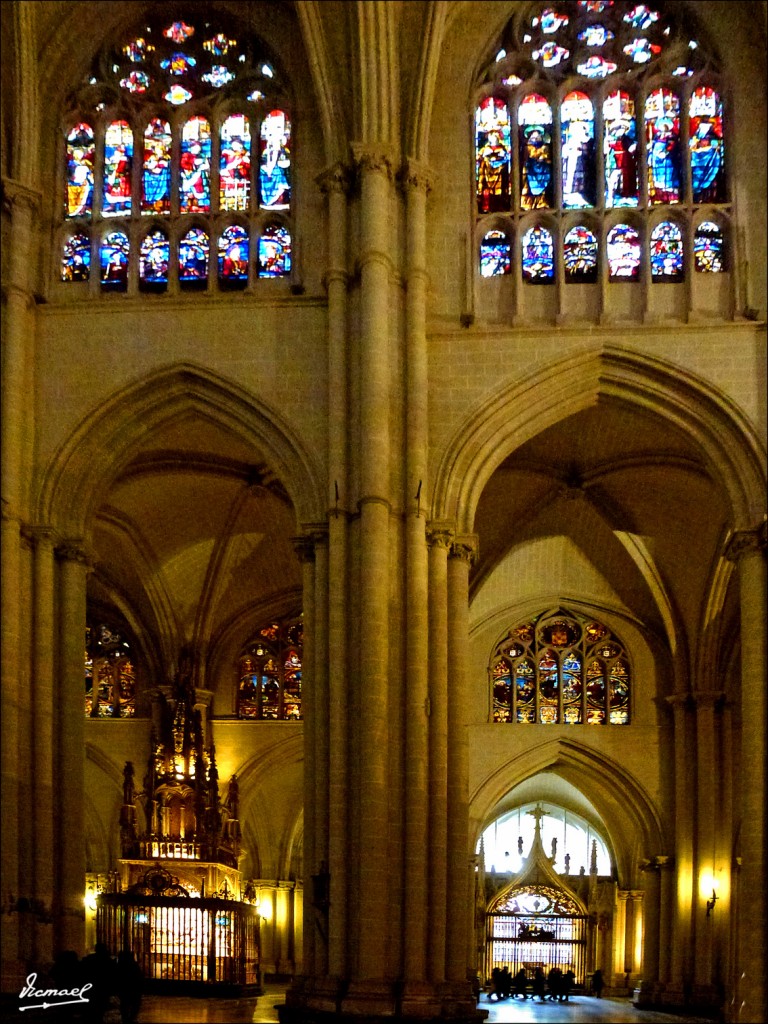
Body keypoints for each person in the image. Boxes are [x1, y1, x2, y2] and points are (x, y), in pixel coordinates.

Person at [81, 942, 117, 1023]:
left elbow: (83, 970)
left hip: (91, 986)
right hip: (103, 986)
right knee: (101, 1004)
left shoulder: (90, 959)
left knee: (92, 1004)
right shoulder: (108, 960)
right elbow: (113, 973)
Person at [115, 948, 143, 1024]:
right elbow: (139, 977)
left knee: (124, 1003)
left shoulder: (120, 966)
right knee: (134, 1004)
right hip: (133, 988)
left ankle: (126, 1018)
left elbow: (117, 977)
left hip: (124, 989)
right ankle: (130, 1018)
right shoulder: (134, 965)